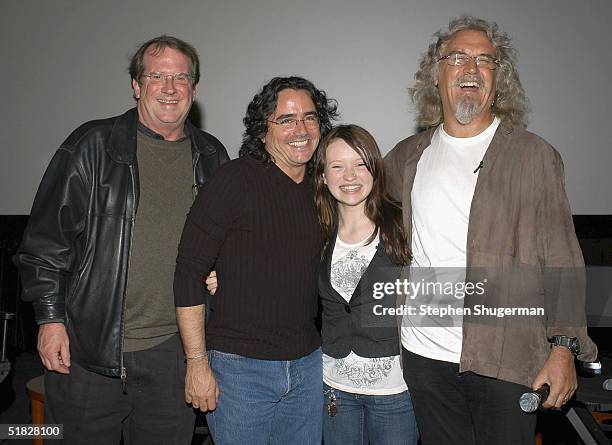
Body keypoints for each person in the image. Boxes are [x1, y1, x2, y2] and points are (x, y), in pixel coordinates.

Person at [384, 15, 597, 444]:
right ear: (436, 74)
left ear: (498, 80)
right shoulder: (405, 158)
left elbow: (562, 258)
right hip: (424, 359)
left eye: (486, 61)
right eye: (458, 57)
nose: (471, 68)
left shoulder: (533, 155)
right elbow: (357, 227)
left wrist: (564, 348)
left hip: (508, 359)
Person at [15, 35, 229, 444]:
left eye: (180, 77)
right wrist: (49, 319)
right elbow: (45, 244)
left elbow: (227, 240)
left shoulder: (213, 156)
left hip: (174, 353)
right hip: (88, 350)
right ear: (136, 85)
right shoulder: (91, 145)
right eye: (157, 76)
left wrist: (225, 268)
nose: (169, 88)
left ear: (195, 89)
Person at [173, 76, 338, 444]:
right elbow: (188, 273)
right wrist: (197, 363)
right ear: (263, 129)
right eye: (287, 119)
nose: (301, 129)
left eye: (310, 118)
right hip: (239, 370)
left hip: (308, 367)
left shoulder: (323, 189)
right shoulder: (233, 181)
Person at [314, 125, 418, 444]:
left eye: (360, 164)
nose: (350, 176)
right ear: (322, 176)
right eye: (337, 166)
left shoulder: (404, 225)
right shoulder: (314, 231)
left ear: (375, 168)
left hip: (395, 395)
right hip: (334, 391)